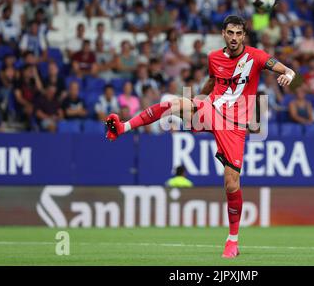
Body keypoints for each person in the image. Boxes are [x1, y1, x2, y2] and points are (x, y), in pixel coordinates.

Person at [105, 15, 296, 258]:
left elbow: (283, 68)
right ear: (223, 34)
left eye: (239, 33)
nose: (234, 37)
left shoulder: (255, 56)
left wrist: (288, 74)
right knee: (173, 104)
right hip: (212, 109)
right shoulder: (214, 57)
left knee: (231, 183)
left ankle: (232, 241)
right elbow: (213, 80)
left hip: (235, 125)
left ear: (244, 36)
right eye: (230, 32)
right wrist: (198, 99)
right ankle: (122, 127)